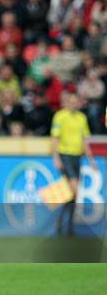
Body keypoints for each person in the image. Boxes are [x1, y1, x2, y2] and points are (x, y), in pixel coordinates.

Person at [51, 92, 97, 235]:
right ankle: (69, 221)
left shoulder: (81, 118)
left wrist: (91, 160)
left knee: (72, 196)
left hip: (77, 157)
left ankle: (65, 225)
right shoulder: (60, 116)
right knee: (75, 188)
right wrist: (56, 157)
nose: (73, 104)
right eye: (70, 101)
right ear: (66, 102)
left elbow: (84, 141)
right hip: (65, 156)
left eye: (75, 101)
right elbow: (55, 138)